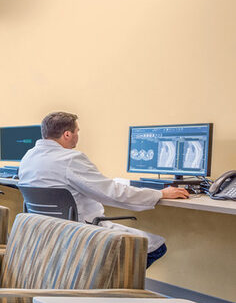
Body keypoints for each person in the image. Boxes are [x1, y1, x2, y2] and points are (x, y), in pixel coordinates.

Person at [19, 111, 188, 267]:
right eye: (77, 131)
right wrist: (159, 194)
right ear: (67, 134)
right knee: (156, 246)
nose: (78, 136)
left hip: (48, 232)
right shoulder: (70, 159)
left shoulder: (28, 157)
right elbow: (113, 193)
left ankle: (98, 279)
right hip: (82, 232)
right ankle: (106, 282)